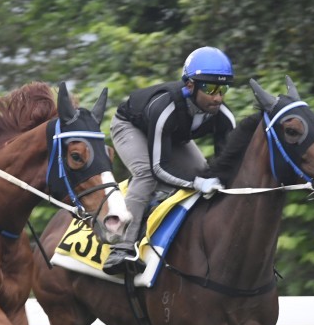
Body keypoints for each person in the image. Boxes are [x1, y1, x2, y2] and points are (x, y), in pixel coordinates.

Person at [101, 46, 237, 275]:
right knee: (146, 174)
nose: (217, 97)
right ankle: (121, 247)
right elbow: (158, 168)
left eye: (223, 89)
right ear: (190, 86)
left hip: (171, 134)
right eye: (211, 88)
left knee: (202, 170)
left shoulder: (224, 116)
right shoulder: (166, 108)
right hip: (131, 126)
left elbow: (228, 167)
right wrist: (196, 182)